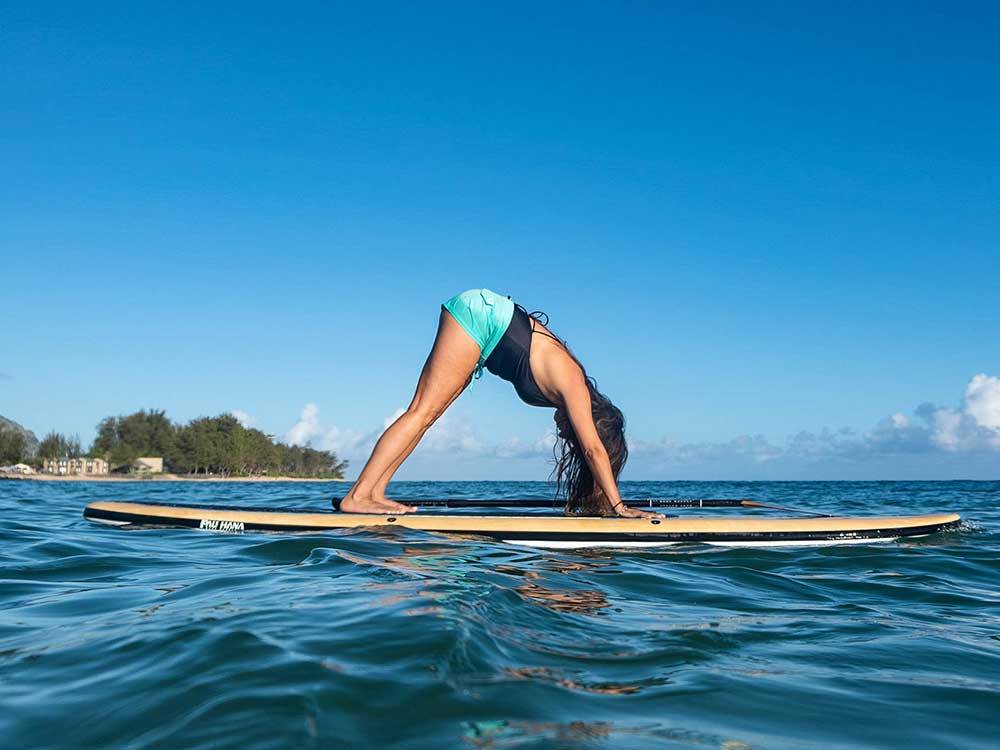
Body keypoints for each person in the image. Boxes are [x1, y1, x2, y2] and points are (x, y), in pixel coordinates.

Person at [338, 288, 658, 518]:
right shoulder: (576, 387)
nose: (564, 434)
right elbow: (593, 450)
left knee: (426, 416)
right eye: (572, 431)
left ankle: (373, 494)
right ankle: (358, 496)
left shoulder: (571, 385)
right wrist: (619, 507)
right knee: (422, 412)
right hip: (481, 318)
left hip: (485, 327)